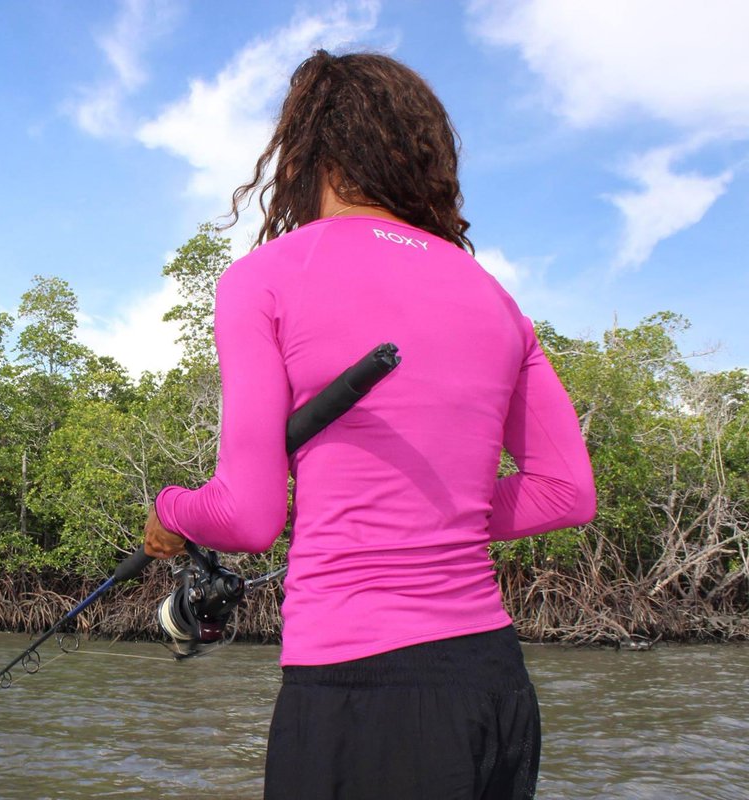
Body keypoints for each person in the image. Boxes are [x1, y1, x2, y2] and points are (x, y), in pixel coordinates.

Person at [142, 50, 595, 799]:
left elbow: (251, 517)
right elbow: (565, 493)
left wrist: (168, 508)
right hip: (495, 687)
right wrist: (434, 516)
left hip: (360, 694)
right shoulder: (495, 297)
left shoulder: (264, 277)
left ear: (306, 149)